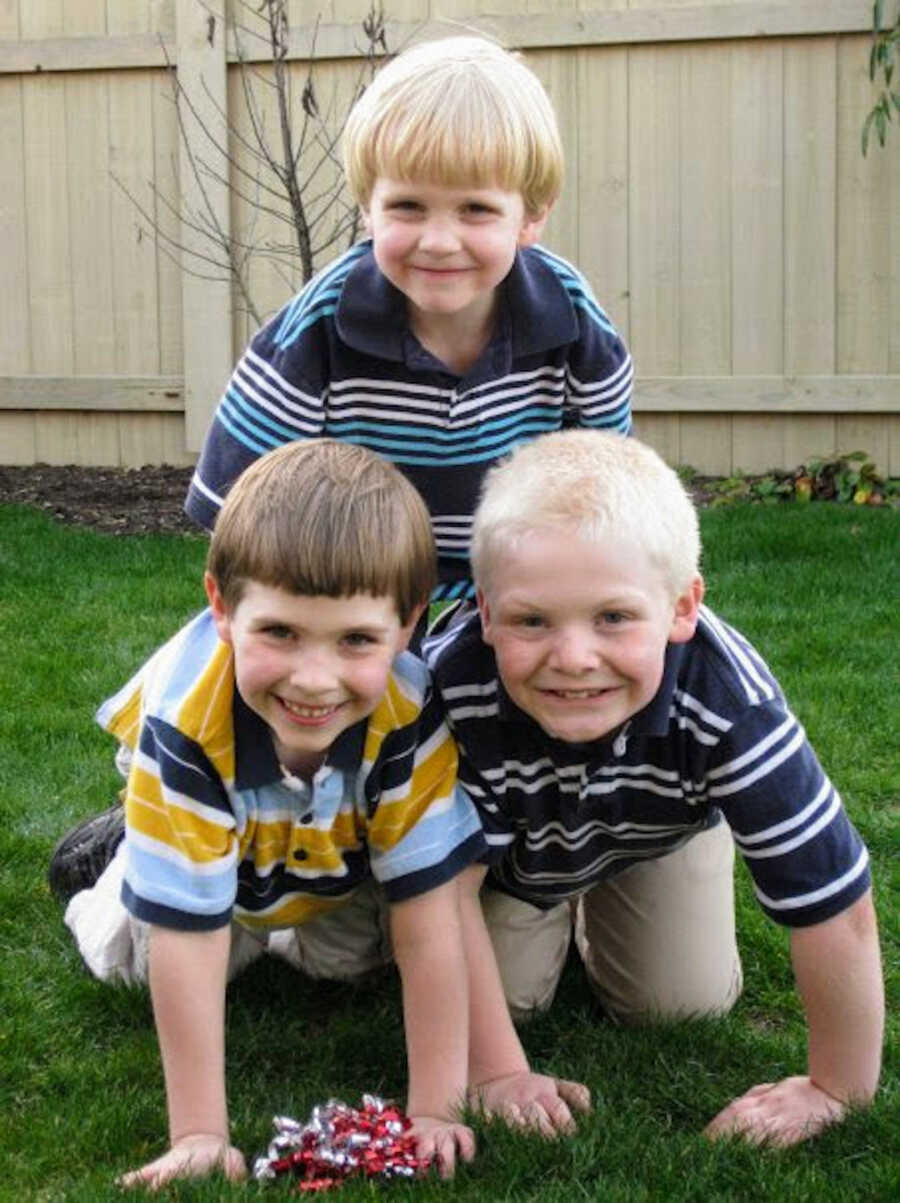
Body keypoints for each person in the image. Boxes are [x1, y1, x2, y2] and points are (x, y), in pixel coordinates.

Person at [425, 429, 884, 1146]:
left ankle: (608, 909)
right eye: (531, 619)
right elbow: (442, 894)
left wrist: (835, 1086)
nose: (574, 657)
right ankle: (540, 915)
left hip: (656, 835)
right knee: (504, 1004)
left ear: (681, 607)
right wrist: (496, 1070)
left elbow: (832, 896)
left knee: (679, 1002)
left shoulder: (731, 704)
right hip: (514, 859)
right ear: (485, 610)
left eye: (613, 616)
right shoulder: (452, 687)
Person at [57, 440, 488, 1189]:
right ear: (222, 608)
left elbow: (427, 915)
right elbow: (189, 943)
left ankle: (262, 890)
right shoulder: (188, 726)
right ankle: (122, 854)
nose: (313, 678)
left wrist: (436, 1107)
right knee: (150, 961)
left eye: (356, 639)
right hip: (210, 808)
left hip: (327, 851)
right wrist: (199, 1132)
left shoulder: (409, 712)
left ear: (408, 624)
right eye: (279, 632)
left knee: (355, 961)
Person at [185, 34, 633, 607]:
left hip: (512, 585)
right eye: (408, 206)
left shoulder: (571, 319)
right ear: (367, 206)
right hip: (359, 590)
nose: (439, 241)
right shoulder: (318, 328)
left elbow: (610, 488)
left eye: (475, 209)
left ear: (532, 215)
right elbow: (237, 508)